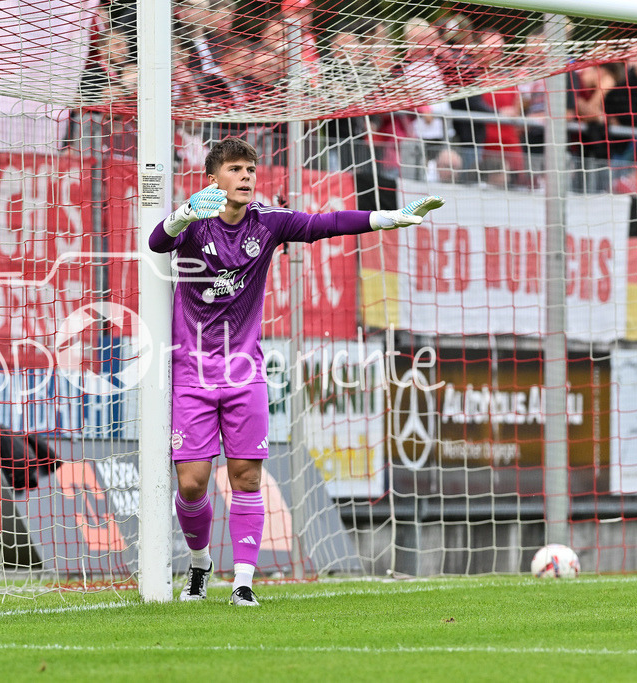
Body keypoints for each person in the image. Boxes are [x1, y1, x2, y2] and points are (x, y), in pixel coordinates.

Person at [148, 137, 443, 606]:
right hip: (192, 374)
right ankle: (200, 565)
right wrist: (183, 213)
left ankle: (243, 581)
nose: (246, 176)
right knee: (191, 484)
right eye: (236, 169)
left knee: (245, 476)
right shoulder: (194, 223)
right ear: (213, 179)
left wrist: (386, 218)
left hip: (245, 373)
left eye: (250, 169)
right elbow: (156, 241)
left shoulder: (267, 222)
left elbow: (325, 224)